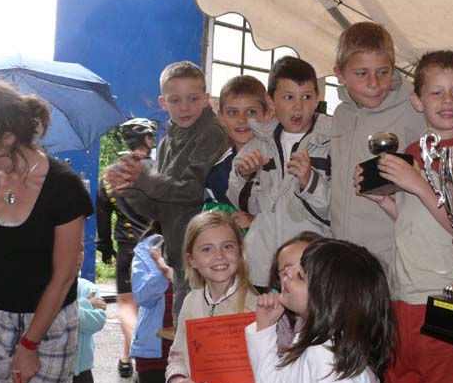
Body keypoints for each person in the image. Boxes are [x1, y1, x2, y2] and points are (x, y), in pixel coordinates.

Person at [356, 50, 453, 383]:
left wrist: (417, 183)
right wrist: (386, 201)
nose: (447, 102)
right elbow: (417, 218)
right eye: (436, 93)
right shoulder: (413, 153)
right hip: (401, 297)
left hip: (444, 298)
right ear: (417, 100)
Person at [0, 80, 93, 383]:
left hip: (50, 327)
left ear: (7, 137)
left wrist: (30, 344)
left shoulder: (63, 186)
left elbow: (65, 274)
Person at [106, 61, 228, 321]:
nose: (184, 107)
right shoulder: (165, 144)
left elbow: (193, 192)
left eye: (193, 98)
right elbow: (157, 208)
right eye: (175, 100)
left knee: (203, 343)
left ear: (206, 99)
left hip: (210, 259)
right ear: (163, 102)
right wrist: (129, 188)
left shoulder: (211, 133)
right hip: (180, 256)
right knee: (182, 344)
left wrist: (146, 179)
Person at [245, 239, 395, 383]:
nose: (287, 273)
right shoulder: (310, 340)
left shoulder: (329, 357)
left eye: (300, 276)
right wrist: (265, 327)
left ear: (327, 298)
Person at [227, 56, 332, 290]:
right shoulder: (259, 143)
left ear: (317, 99)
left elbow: (337, 211)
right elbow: (245, 204)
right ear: (270, 100)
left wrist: (310, 181)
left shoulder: (331, 142)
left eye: (306, 97)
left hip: (309, 268)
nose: (298, 107)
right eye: (288, 97)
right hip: (262, 267)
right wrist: (244, 176)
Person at [330, 21, 425, 268]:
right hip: (344, 250)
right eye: (362, 74)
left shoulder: (415, 108)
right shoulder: (340, 115)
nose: (373, 83)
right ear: (339, 74)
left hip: (394, 251)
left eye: (383, 72)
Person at [165, 211, 262, 383]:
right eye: (207, 249)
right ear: (192, 260)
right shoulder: (191, 302)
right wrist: (177, 379)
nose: (219, 255)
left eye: (227, 246)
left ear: (240, 251)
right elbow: (177, 354)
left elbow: (271, 378)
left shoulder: (257, 307)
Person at [96, 117, 155, 377]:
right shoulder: (158, 170)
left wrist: (106, 249)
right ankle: (142, 358)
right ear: (147, 140)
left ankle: (126, 357)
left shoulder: (109, 175)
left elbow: (102, 215)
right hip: (156, 249)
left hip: (127, 249)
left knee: (126, 304)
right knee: (151, 306)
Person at [130, 227, 185, 383]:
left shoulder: (193, 244)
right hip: (151, 345)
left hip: (183, 343)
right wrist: (162, 271)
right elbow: (143, 296)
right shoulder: (146, 249)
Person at [50, 249, 108, 383]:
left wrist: (65, 309)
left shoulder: (88, 287)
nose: (79, 255)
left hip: (81, 374)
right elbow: (51, 321)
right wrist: (85, 304)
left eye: (82, 250)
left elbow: (96, 322)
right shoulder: (48, 285)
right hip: (51, 372)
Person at [203, 75, 270, 233]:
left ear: (267, 114)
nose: (242, 120)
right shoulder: (217, 175)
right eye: (233, 112)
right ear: (221, 117)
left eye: (251, 112)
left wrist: (256, 221)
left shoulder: (282, 160)